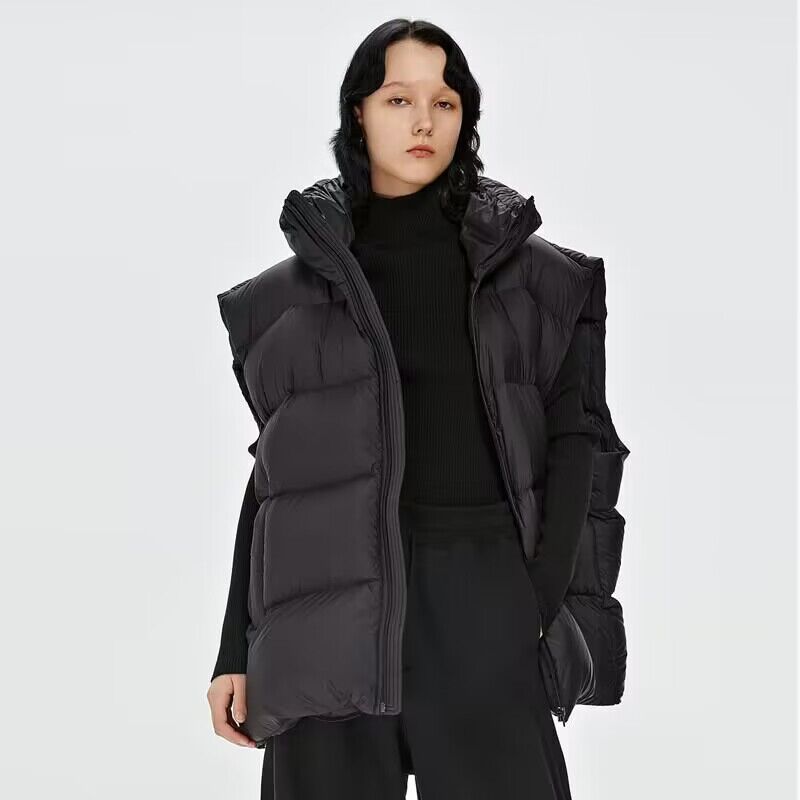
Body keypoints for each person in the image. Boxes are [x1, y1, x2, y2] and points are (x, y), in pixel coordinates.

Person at [207, 18, 598, 800]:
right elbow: (279, 478)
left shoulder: (545, 283)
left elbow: (575, 438)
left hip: (480, 592)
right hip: (327, 601)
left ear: (465, 118)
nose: (423, 121)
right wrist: (234, 651)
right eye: (398, 99)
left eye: (444, 102)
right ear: (358, 112)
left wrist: (533, 602)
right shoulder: (287, 300)